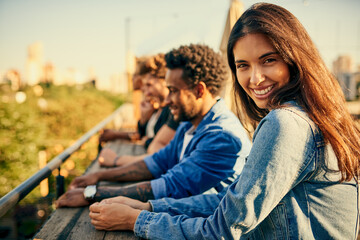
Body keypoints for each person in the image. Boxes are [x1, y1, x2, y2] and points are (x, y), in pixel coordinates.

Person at [88, 3, 360, 239]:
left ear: (294, 58)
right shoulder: (306, 115)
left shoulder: (286, 124)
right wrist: (149, 208)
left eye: (268, 60)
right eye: (243, 65)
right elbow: (231, 203)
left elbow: (221, 230)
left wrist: (135, 220)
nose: (254, 79)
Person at [55, 44, 252, 207]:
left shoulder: (222, 136)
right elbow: (156, 163)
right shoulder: (189, 125)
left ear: (199, 90)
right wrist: (98, 176)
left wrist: (93, 194)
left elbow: (172, 186)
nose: (167, 100)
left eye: (174, 91)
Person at [98, 53, 179, 167]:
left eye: (148, 85)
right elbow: (146, 136)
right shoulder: (160, 108)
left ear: (164, 80)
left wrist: (116, 160)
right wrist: (144, 119)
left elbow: (161, 152)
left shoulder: (173, 110)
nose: (144, 90)